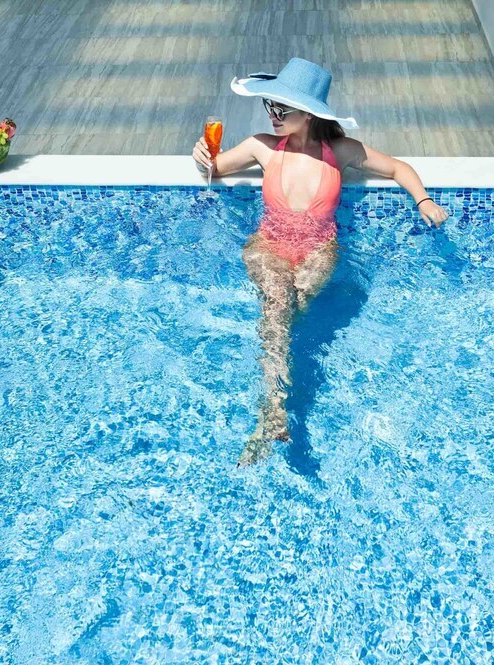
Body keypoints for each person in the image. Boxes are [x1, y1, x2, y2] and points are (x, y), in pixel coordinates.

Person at [191, 57, 449, 466]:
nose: (273, 115)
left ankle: (278, 396)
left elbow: (398, 168)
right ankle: (273, 411)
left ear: (308, 113)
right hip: (269, 246)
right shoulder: (262, 146)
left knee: (290, 316)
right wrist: (202, 153)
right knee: (277, 311)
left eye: (282, 109)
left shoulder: (340, 151)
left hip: (318, 250)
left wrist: (423, 200)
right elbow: (215, 168)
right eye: (270, 106)